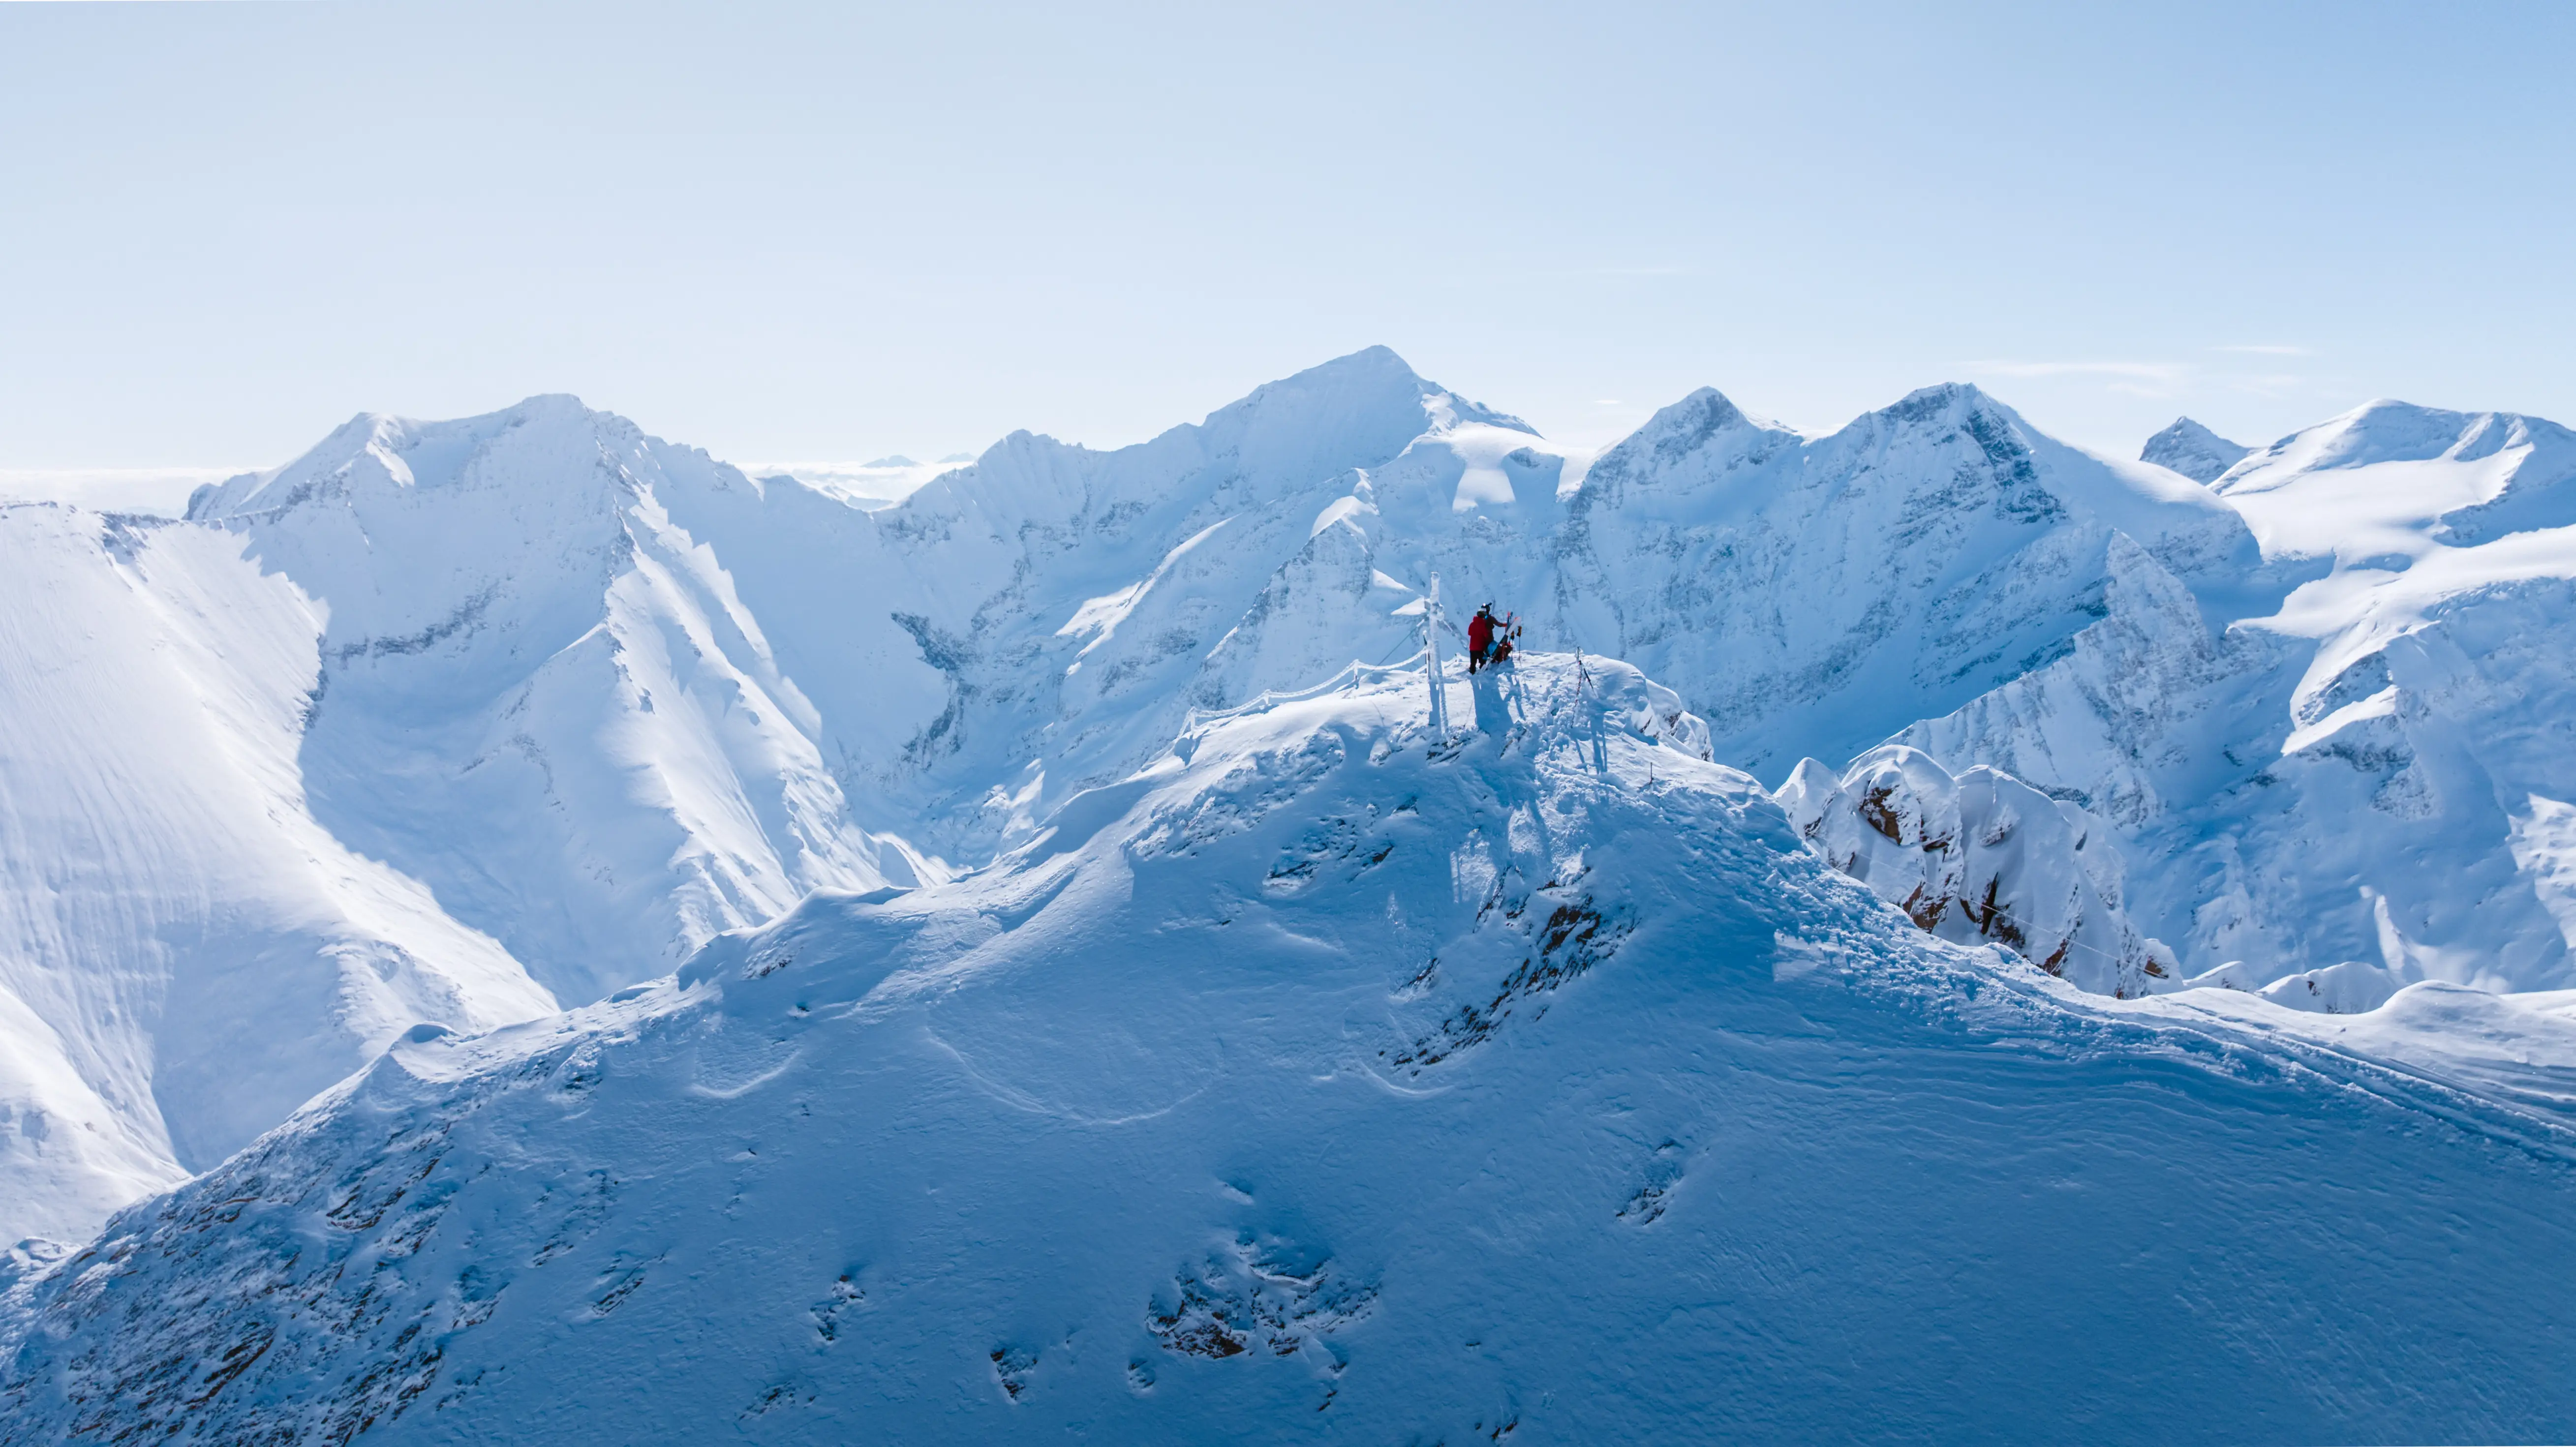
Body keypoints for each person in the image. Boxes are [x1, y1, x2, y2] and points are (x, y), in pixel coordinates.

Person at [1468, 604, 1497, 673]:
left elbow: (1469, 633)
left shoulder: (1472, 624)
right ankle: (1483, 674)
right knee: (1483, 662)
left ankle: (1472, 673)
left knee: (1473, 663)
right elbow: (1486, 635)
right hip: (1480, 648)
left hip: (1472, 648)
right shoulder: (1483, 625)